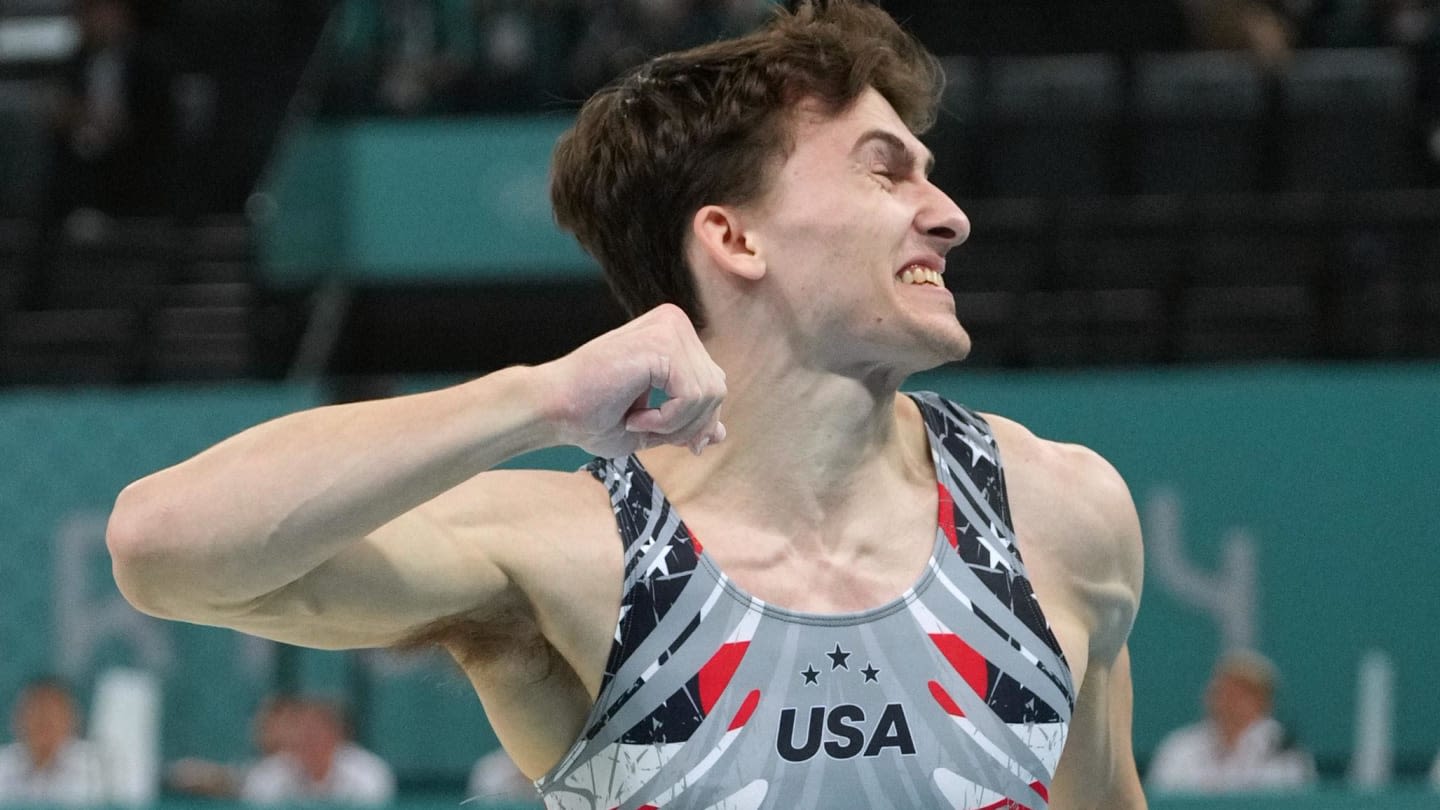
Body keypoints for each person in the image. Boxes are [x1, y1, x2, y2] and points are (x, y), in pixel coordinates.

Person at [105, 2, 1146, 807]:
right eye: (886, 173)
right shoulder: (574, 556)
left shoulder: (1063, 513)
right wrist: (538, 398)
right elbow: (161, 547)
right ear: (734, 238)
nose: (949, 215)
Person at [1146, 649, 1315, 793]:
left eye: (1244, 692)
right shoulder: (1179, 748)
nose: (1230, 700)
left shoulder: (1283, 751)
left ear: (1265, 702)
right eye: (1224, 690)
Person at [239, 699, 394, 805]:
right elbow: (256, 796)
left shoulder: (369, 772)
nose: (311, 742)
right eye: (303, 734)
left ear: (337, 736)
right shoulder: (267, 775)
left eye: (318, 733)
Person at [166, 695, 301, 798]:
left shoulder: (290, 767)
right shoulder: (263, 770)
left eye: (283, 723)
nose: (269, 730)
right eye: (266, 724)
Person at [0, 677, 107, 805]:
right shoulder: (3, 764)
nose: (45, 718)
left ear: (73, 719)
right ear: (17, 719)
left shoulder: (97, 766)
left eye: (54, 713)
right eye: (36, 712)